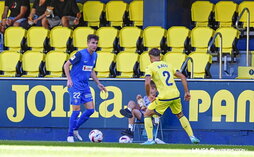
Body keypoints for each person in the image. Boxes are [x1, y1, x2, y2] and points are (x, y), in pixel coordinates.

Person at [142, 48, 200, 145]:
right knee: (180, 115)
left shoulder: (150, 67)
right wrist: (187, 92)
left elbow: (147, 82)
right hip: (175, 94)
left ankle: (150, 140)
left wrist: (148, 95)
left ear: (150, 58)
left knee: (147, 114)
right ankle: (192, 137)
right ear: (160, 57)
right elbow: (183, 77)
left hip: (164, 96)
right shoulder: (168, 65)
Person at [64, 34, 107, 143]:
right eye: (92, 43)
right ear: (88, 43)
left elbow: (91, 70)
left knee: (90, 110)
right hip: (75, 85)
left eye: (96, 43)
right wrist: (69, 79)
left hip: (85, 85)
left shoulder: (95, 55)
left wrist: (98, 83)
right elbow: (66, 65)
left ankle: (75, 128)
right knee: (76, 110)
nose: (95, 45)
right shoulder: (80, 54)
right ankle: (69, 135)